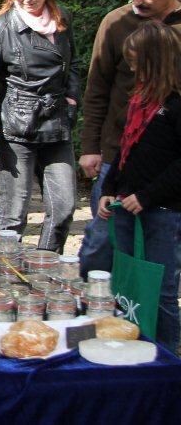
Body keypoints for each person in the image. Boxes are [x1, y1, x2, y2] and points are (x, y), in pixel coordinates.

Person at [78, 0, 181, 276]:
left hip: (167, 168)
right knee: (101, 242)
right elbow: (97, 88)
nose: (138, 0)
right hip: (117, 155)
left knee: (157, 262)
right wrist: (90, 146)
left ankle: (140, 318)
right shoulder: (117, 22)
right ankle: (90, 310)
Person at [0, 0, 79, 252]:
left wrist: (71, 100)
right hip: (16, 127)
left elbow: (74, 63)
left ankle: (45, 265)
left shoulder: (62, 20)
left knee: (64, 207)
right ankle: (3, 278)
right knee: (13, 215)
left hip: (56, 123)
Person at [96, 21, 181, 353]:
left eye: (136, 61)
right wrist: (109, 189)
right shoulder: (139, 102)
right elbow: (124, 152)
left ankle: (168, 361)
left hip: (162, 211)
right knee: (128, 287)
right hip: (128, 207)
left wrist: (146, 196)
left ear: (155, 61)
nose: (131, 68)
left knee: (159, 290)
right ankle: (131, 348)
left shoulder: (175, 106)